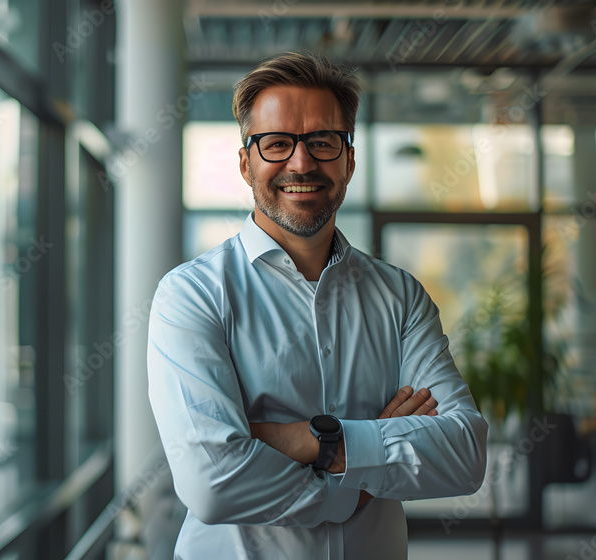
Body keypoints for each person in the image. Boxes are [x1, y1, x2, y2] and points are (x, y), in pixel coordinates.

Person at [147, 52, 488, 559]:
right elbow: (212, 483)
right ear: (246, 163)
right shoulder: (192, 295)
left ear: (349, 159)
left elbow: (463, 455)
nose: (301, 163)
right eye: (277, 143)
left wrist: (310, 442)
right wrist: (363, 476)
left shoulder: (401, 296)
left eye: (323, 142)